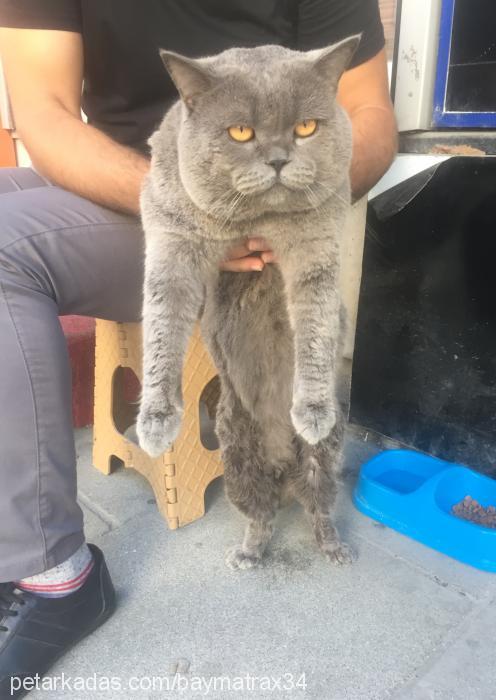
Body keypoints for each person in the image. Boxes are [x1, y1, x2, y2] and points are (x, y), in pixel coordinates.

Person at [0, 0, 397, 693]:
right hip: (139, 185)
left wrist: (299, 207)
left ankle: (57, 576)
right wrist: (183, 203)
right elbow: (44, 114)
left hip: (276, 202)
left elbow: (368, 115)